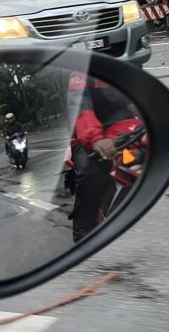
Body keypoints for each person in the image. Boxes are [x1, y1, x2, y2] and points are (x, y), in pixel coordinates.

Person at [66, 71, 142, 243]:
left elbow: (136, 99)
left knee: (145, 156)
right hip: (86, 134)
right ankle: (82, 232)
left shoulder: (120, 68)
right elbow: (80, 105)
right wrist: (95, 138)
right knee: (90, 172)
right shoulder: (80, 71)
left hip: (124, 131)